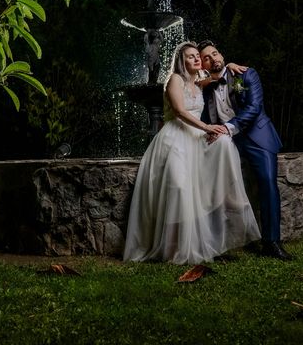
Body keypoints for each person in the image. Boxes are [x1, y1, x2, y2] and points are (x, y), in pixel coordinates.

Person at [123, 41, 261, 265]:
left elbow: (219, 73)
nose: (197, 59)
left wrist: (230, 64)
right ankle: (171, 247)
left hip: (195, 141)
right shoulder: (174, 79)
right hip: (175, 139)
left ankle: (212, 225)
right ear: (181, 61)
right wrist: (206, 127)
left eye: (198, 56)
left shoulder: (200, 81)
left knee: (205, 177)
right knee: (178, 187)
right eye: (190, 56)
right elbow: (178, 111)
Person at [198, 40, 293, 260]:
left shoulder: (245, 74)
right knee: (213, 185)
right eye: (207, 57)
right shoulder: (204, 86)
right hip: (224, 142)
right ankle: (218, 242)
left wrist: (228, 128)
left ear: (221, 54)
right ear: (202, 64)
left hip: (256, 137)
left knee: (268, 183)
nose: (213, 59)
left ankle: (271, 242)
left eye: (215, 53)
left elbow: (254, 107)